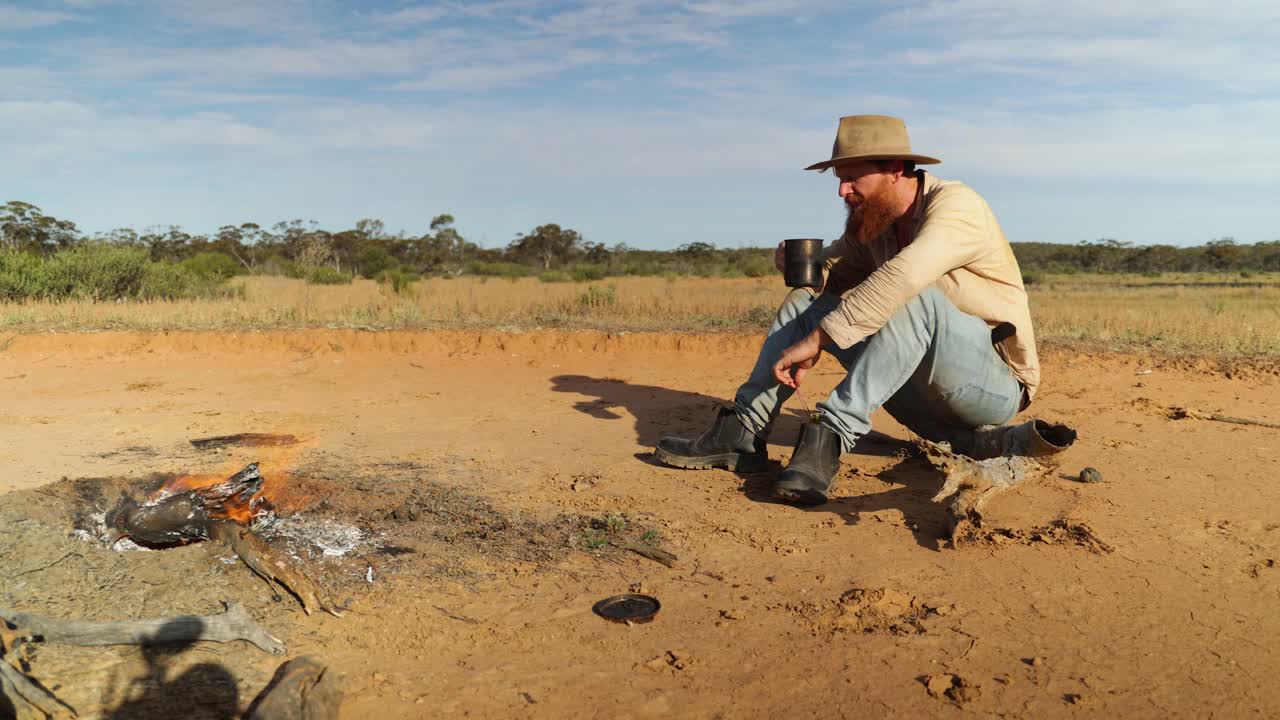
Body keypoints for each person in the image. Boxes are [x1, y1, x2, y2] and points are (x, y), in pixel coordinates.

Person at [655, 114, 1043, 506]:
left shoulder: (958, 206)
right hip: (915, 397)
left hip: (991, 389)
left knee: (915, 296)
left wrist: (819, 338)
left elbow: (903, 276)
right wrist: (801, 264)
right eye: (839, 178)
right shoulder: (875, 221)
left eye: (853, 178)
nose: (843, 190)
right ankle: (742, 433)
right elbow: (832, 278)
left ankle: (830, 436)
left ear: (893, 170)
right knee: (804, 303)